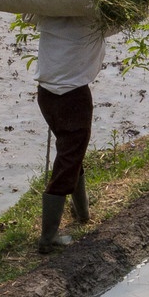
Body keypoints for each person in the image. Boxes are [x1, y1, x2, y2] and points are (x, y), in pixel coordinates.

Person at [33, 13, 104, 253]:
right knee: (70, 155)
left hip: (46, 95)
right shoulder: (93, 20)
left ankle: (82, 212)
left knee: (71, 150)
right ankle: (48, 237)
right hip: (72, 97)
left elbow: (28, 12)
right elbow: (124, 19)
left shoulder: (48, 16)